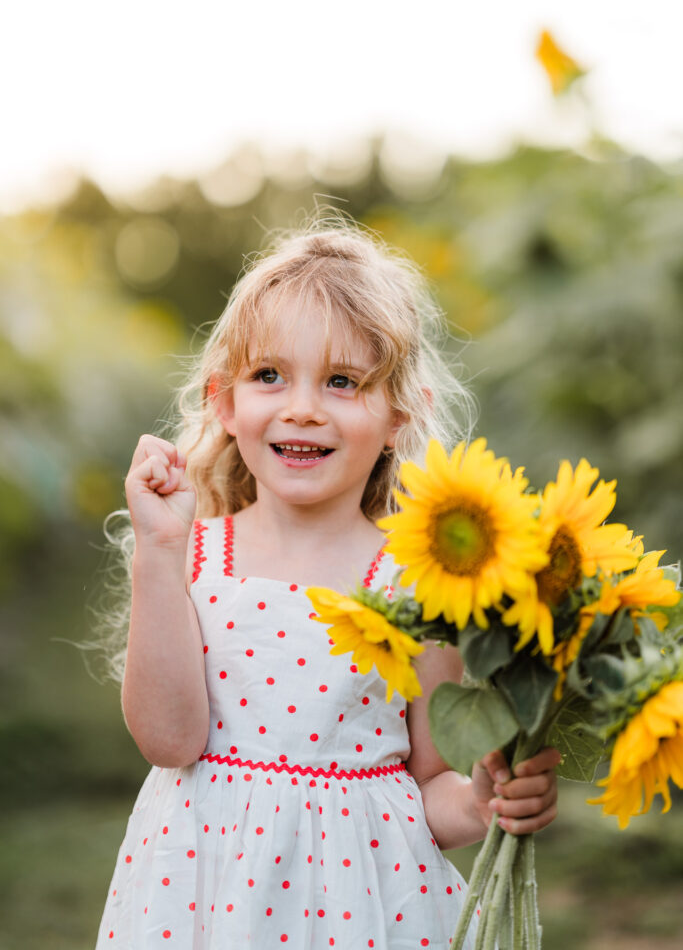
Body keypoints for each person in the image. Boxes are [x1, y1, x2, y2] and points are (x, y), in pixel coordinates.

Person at [96, 223, 559, 948]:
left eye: (342, 382)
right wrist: (157, 550)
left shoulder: (412, 580)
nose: (303, 406)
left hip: (361, 904)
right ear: (224, 401)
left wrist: (483, 801)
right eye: (269, 376)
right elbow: (169, 739)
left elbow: (426, 786)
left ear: (397, 418)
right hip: (204, 898)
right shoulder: (192, 555)